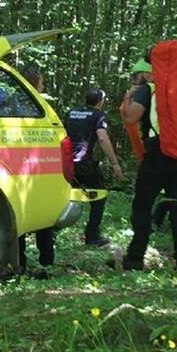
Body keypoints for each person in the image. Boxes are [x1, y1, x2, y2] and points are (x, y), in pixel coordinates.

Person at [119, 55, 177, 273]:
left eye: (139, 75)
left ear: (149, 72)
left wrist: (127, 100)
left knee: (142, 205)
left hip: (159, 152)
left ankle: (135, 258)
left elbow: (131, 118)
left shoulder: (148, 89)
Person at [65, 86, 123, 245]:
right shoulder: (98, 115)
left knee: (63, 196)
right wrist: (115, 163)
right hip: (84, 163)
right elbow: (103, 139)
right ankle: (92, 236)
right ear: (100, 102)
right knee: (99, 196)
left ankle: (50, 233)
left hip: (66, 163)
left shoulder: (70, 113)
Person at [20, 65, 57, 271]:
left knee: (20, 213)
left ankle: (19, 261)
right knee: (44, 216)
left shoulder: (14, 103)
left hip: (18, 169)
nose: (43, 85)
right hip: (41, 167)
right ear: (35, 83)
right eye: (41, 81)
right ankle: (47, 260)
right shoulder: (40, 106)